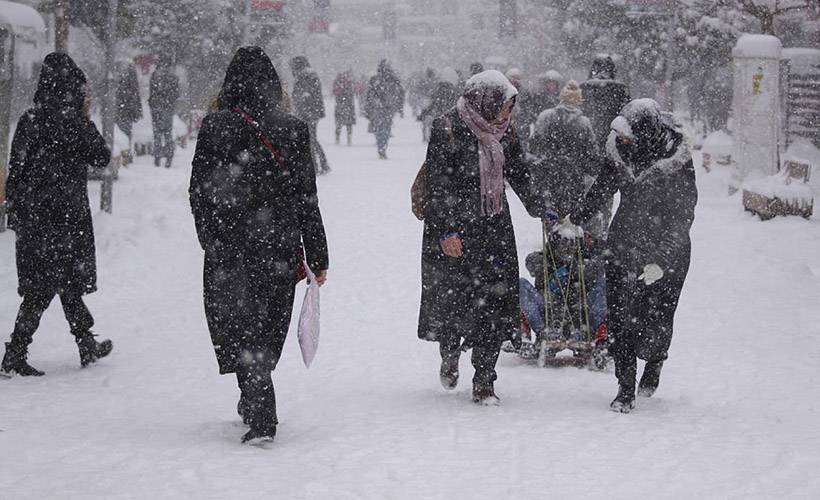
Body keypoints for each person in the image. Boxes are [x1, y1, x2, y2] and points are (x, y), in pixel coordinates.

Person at [190, 47, 329, 445]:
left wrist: (210, 236)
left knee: (236, 326)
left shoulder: (215, 127)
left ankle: (258, 405)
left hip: (229, 249)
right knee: (265, 329)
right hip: (279, 248)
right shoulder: (293, 128)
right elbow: (307, 197)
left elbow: (198, 189)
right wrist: (317, 255)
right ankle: (256, 394)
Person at [418, 70, 543, 405]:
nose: (509, 113)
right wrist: (446, 230)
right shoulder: (448, 127)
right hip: (455, 230)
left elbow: (519, 174)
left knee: (494, 303)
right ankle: (449, 351)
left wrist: (541, 207)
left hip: (493, 228)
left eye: (511, 106)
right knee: (453, 301)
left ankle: (485, 379)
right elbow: (438, 184)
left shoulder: (505, 132)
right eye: (505, 106)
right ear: (485, 101)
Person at [572, 99, 697, 413]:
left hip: (667, 249)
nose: (624, 142)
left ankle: (655, 361)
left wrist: (661, 259)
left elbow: (682, 215)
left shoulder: (675, 158)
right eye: (622, 137)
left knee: (656, 319)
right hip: (624, 245)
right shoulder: (619, 150)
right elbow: (602, 188)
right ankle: (624, 386)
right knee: (622, 319)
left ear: (648, 132)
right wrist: (574, 216)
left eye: (630, 137)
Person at [1, 53, 113, 377]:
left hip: (37, 218)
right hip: (68, 218)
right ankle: (18, 353)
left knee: (54, 283)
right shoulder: (75, 123)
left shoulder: (30, 120)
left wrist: (18, 209)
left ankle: (81, 343)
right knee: (57, 283)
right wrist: (84, 121)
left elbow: (16, 168)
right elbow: (102, 156)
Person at [580, 55, 631, 148]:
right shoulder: (620, 88)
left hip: (589, 136)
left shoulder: (583, 88)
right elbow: (626, 112)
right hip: (611, 134)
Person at [290, 56, 330, 174]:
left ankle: (316, 166)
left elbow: (307, 95)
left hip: (309, 112)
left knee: (309, 139)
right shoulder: (305, 76)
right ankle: (322, 164)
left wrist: (302, 103)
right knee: (311, 138)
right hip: (308, 112)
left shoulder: (307, 76)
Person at [364, 60, 405, 159]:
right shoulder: (393, 80)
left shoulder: (375, 80)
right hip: (388, 107)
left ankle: (381, 146)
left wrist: (369, 106)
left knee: (380, 128)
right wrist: (399, 107)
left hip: (379, 107)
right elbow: (400, 94)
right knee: (386, 128)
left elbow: (369, 95)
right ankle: (382, 147)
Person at [149, 54, 179, 168]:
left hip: (156, 108)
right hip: (167, 108)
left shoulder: (155, 76)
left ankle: (157, 156)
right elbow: (176, 94)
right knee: (167, 133)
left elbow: (152, 93)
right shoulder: (173, 77)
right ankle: (169, 156)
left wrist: (153, 105)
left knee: (157, 133)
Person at [115, 61, 142, 144]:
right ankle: (126, 150)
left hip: (121, 109)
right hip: (127, 109)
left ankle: (125, 149)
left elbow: (135, 94)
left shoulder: (118, 77)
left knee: (122, 131)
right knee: (126, 131)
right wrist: (138, 110)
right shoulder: (131, 76)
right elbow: (135, 94)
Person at [333, 70, 357, 146]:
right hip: (344, 106)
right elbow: (335, 92)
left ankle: (345, 138)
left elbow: (354, 92)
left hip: (345, 106)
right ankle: (340, 137)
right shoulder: (339, 83)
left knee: (345, 124)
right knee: (342, 123)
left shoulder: (348, 84)